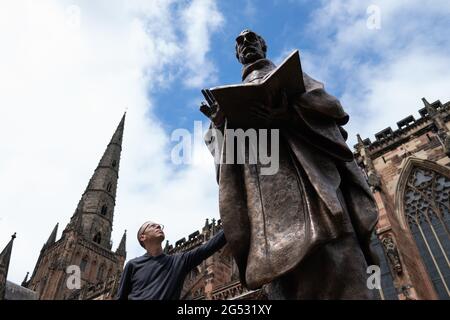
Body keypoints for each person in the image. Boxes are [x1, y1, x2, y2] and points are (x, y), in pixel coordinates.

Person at [202, 29, 379, 299]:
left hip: (313, 188)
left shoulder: (294, 79)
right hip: (267, 209)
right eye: (240, 43)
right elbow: (229, 163)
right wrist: (220, 126)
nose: (246, 44)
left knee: (341, 266)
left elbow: (333, 108)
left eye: (252, 39)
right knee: (284, 282)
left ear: (264, 45)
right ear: (237, 55)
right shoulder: (230, 100)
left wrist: (290, 113)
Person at [116, 221, 226, 300]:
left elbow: (208, 247)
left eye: (159, 225)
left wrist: (232, 219)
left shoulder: (178, 261)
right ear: (142, 237)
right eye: (152, 226)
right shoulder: (132, 265)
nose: (158, 226)